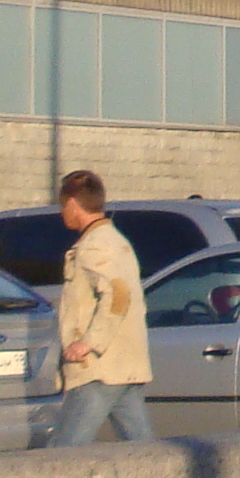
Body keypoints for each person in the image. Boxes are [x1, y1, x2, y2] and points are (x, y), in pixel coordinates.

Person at [47, 170, 154, 445]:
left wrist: (88, 343)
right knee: (143, 452)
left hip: (98, 369)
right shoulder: (116, 240)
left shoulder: (94, 246)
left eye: (63, 206)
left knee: (64, 451)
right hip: (124, 366)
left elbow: (118, 295)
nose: (62, 213)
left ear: (73, 204)